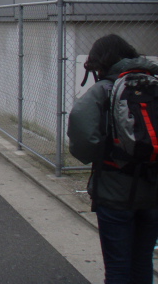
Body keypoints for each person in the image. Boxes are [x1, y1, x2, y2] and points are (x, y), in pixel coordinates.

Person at [68, 34, 158, 284]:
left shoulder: (102, 92)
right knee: (143, 262)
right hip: (153, 191)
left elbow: (83, 142)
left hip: (114, 190)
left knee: (118, 266)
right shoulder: (153, 84)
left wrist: (108, 155)